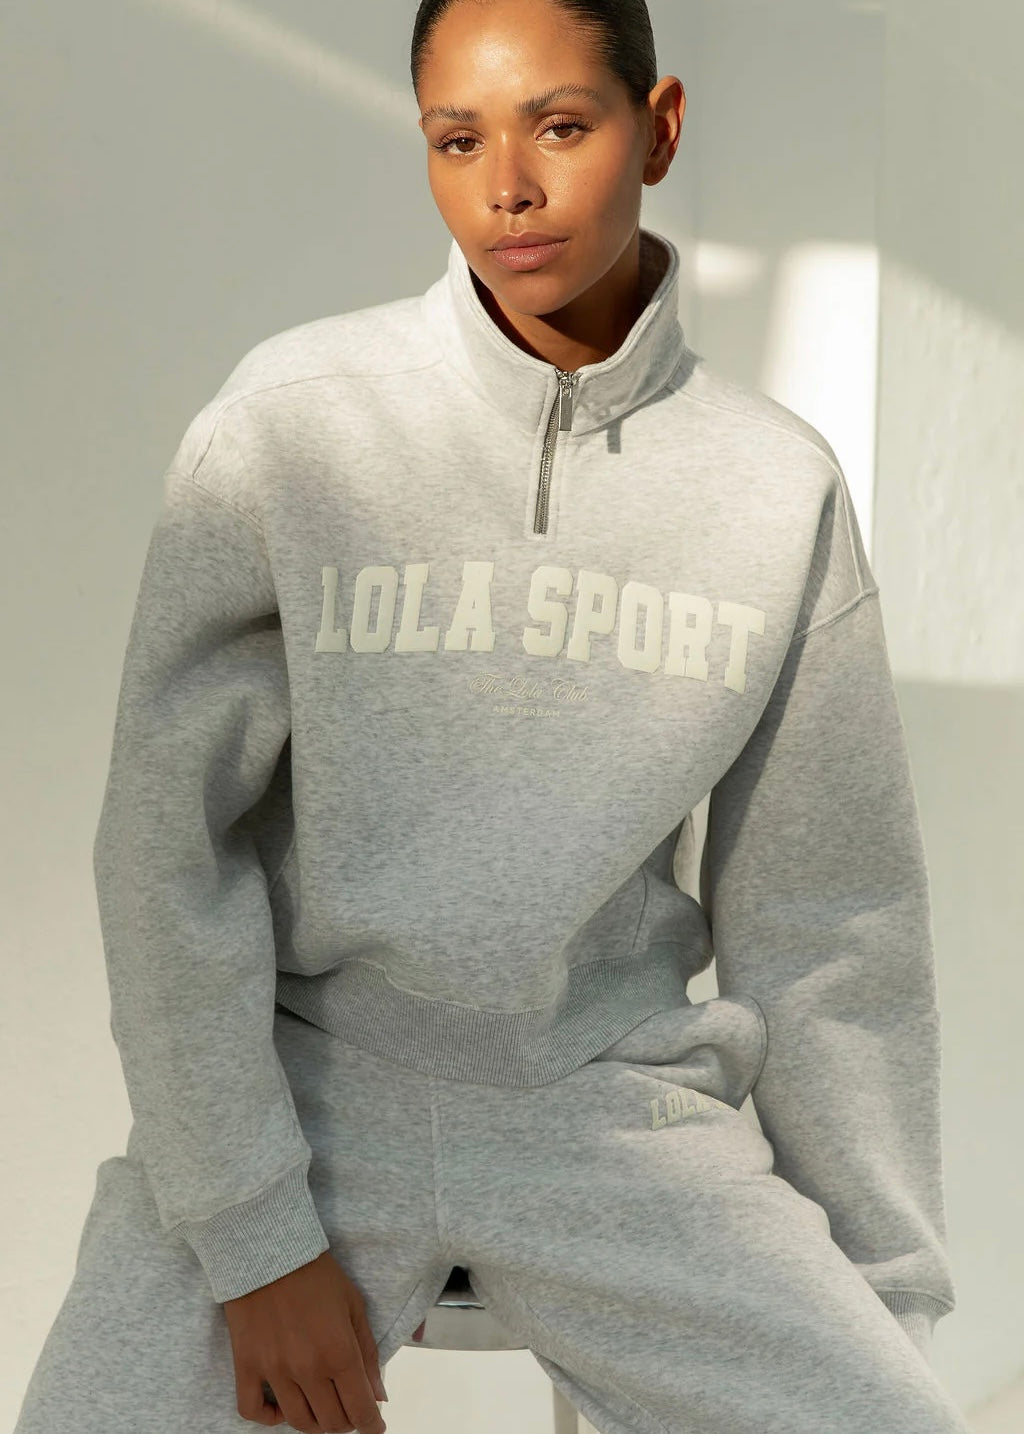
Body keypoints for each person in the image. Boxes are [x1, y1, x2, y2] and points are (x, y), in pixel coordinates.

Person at [14, 2, 973, 1432]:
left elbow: (831, 922)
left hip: (615, 1117)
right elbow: (166, 850)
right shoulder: (289, 426)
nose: (507, 187)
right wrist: (252, 1234)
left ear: (660, 128)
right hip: (302, 1096)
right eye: (457, 140)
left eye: (561, 126)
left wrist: (876, 1309)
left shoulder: (777, 489)